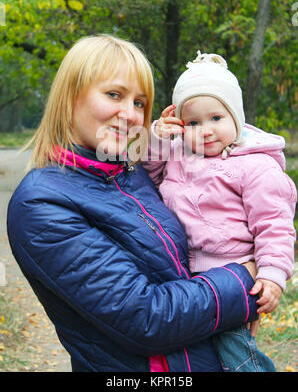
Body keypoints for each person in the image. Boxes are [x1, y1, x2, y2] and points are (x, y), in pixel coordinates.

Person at [7, 35, 260, 373]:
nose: (129, 114)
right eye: (114, 94)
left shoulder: (132, 173)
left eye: (140, 102)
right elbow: (149, 318)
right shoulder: (41, 204)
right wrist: (246, 279)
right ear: (70, 97)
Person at [143, 50, 297, 372]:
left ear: (236, 117)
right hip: (187, 278)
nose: (206, 130)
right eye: (194, 122)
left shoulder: (254, 166)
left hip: (234, 274)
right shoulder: (177, 154)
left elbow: (273, 225)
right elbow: (147, 175)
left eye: (216, 118)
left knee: (235, 354)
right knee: (200, 356)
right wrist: (157, 138)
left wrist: (272, 275)